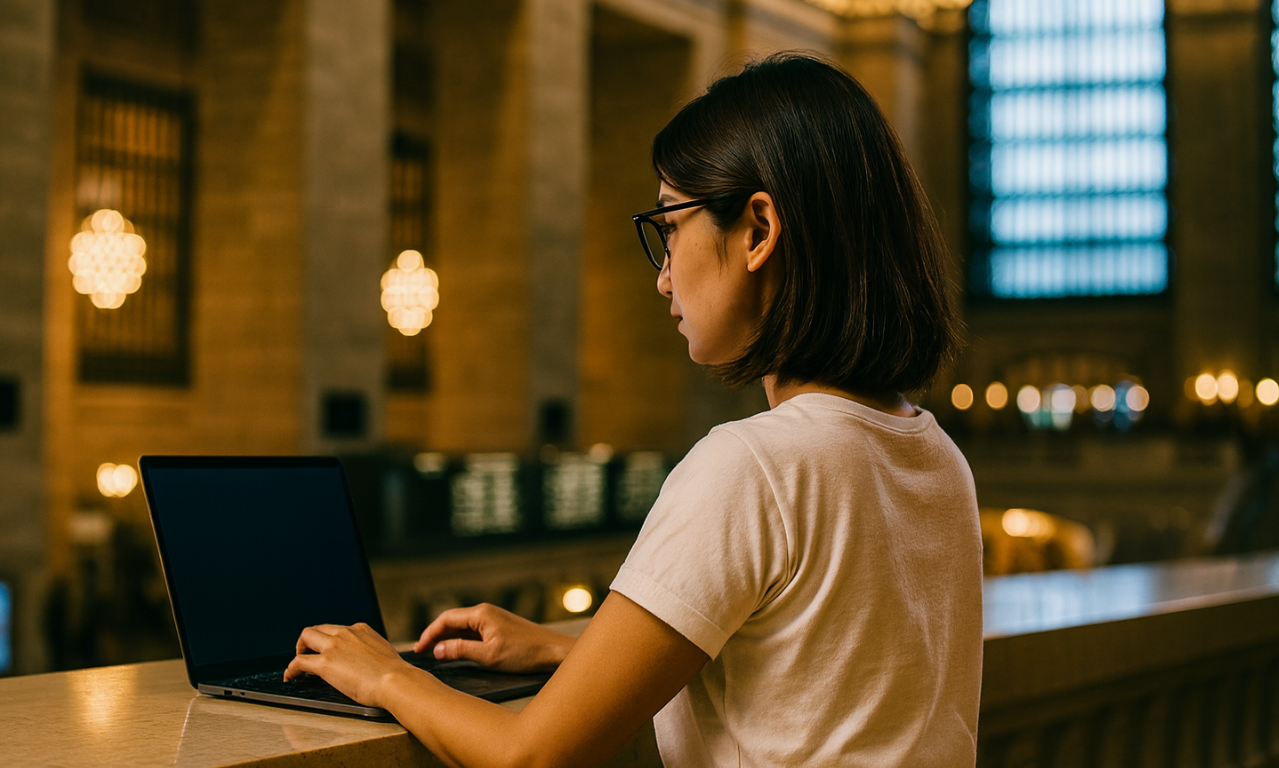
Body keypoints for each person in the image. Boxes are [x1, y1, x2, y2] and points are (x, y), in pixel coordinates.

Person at [285, 52, 983, 768]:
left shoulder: (753, 466)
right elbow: (815, 678)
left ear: (757, 230)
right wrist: (574, 653)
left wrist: (387, 674)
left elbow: (528, 755)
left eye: (669, 226)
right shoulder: (937, 458)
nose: (663, 277)